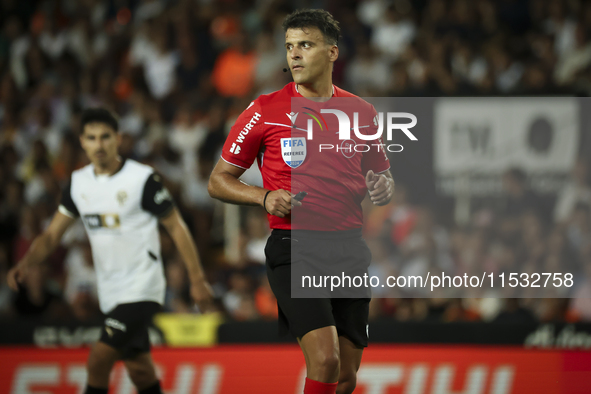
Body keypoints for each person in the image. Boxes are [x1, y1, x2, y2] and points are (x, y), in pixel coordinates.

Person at [208, 9, 394, 394]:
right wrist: (264, 196)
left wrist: (383, 186)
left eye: (305, 45)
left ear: (332, 52)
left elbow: (380, 173)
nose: (294, 54)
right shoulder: (264, 110)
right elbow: (218, 181)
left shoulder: (361, 112)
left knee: (345, 376)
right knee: (325, 361)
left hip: (348, 248)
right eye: (290, 46)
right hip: (295, 248)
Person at [7, 107, 214, 394]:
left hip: (143, 287)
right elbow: (53, 234)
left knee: (98, 359)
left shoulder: (141, 179)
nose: (99, 144)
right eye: (91, 138)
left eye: (105, 137)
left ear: (118, 139)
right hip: (110, 293)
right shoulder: (78, 184)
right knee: (140, 371)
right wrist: (26, 262)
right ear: (82, 141)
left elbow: (177, 227)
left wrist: (197, 280)